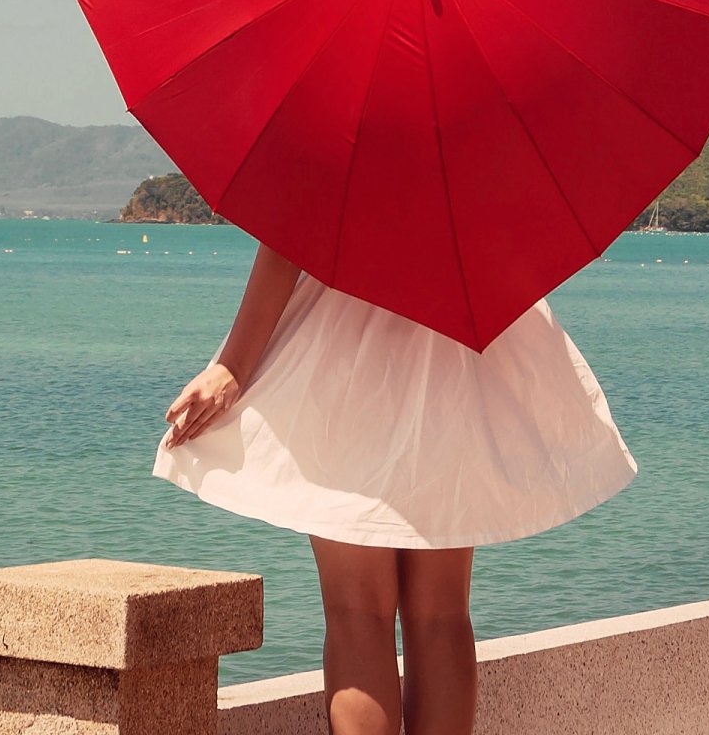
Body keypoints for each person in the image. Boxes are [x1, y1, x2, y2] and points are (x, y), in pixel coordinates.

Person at [155, 243, 636, 735]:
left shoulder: (340, 161)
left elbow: (289, 233)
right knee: (442, 614)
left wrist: (234, 364)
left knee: (357, 613)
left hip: (348, 345)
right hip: (455, 339)